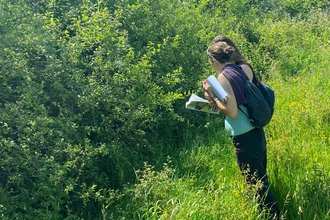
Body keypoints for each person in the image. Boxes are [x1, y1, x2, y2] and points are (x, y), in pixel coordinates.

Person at [202, 38, 280, 219]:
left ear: (213, 60)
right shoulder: (239, 69)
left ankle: (274, 216)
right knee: (260, 177)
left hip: (243, 137)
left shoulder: (223, 77)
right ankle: (267, 213)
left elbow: (232, 112)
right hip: (255, 130)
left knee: (256, 183)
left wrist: (213, 98)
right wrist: (215, 96)